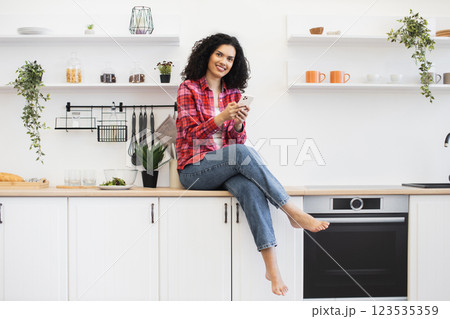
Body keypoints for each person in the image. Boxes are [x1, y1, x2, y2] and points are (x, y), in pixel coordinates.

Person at [176, 33, 329, 296]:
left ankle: (272, 268)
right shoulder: (188, 88)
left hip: (223, 167)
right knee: (240, 152)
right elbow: (190, 135)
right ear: (208, 55)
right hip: (194, 170)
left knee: (250, 188)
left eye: (230, 58)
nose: (224, 61)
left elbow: (237, 140)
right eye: (219, 55)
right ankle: (292, 210)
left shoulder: (233, 93)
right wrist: (222, 116)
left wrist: (236, 123)